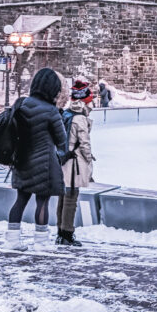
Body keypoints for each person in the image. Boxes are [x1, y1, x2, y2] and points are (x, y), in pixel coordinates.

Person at [4, 68, 66, 251]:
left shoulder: (20, 104)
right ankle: (40, 242)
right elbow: (62, 142)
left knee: (20, 201)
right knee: (42, 203)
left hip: (21, 162)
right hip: (44, 165)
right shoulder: (51, 111)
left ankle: (12, 240)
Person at [57, 79, 95, 247]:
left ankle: (61, 232)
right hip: (74, 164)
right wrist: (89, 160)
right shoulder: (80, 118)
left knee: (63, 197)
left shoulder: (67, 113)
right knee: (71, 198)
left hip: (64, 160)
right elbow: (85, 144)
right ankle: (67, 234)